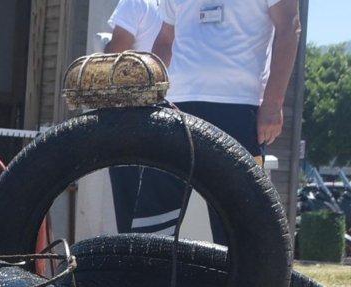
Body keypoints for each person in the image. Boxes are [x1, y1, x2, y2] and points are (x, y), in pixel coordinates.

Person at [128, 0, 301, 242]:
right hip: (176, 106)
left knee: (239, 220)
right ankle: (147, 277)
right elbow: (165, 40)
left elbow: (289, 27)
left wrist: (273, 103)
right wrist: (149, 95)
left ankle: (242, 280)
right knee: (153, 217)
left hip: (239, 109)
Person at [103, 0, 164, 232]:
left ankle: (131, 262)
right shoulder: (180, 6)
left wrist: (104, 49)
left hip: (131, 112)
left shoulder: (136, 2)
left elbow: (117, 52)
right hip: (170, 110)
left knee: (129, 200)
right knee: (159, 204)